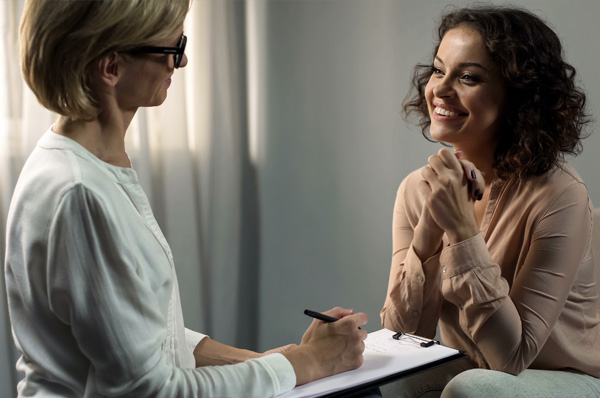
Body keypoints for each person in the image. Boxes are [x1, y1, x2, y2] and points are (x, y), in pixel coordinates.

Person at [4, 0, 368, 396]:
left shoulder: (78, 162)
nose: (182, 62)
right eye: (173, 50)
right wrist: (307, 363)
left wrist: (265, 361)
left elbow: (138, 333)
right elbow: (150, 390)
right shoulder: (80, 194)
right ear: (110, 68)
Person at [380, 5, 600, 398]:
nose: (440, 90)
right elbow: (402, 339)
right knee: (391, 377)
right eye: (437, 69)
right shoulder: (416, 188)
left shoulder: (560, 194)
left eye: (468, 77)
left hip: (565, 377)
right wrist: (430, 228)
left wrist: (462, 231)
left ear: (519, 96)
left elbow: (511, 357)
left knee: (475, 389)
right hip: (474, 369)